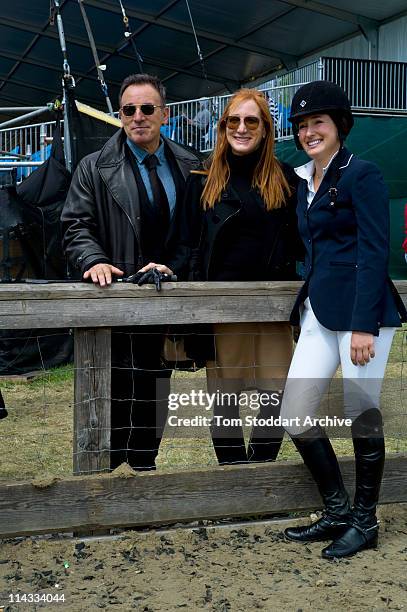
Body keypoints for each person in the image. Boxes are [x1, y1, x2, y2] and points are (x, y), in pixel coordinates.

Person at [280, 80, 407, 558]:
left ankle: (366, 521)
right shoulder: (303, 180)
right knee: (294, 411)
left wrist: (363, 326)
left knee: (361, 413)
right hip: (317, 312)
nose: (309, 131)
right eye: (302, 124)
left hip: (362, 315)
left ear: (339, 126)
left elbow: (376, 250)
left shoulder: (363, 174)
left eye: (319, 122)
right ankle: (336, 511)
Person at [61, 73, 200, 471]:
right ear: (119, 115)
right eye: (128, 110)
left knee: (156, 390)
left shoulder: (192, 164)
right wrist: (93, 260)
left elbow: (198, 231)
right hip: (114, 299)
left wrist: (178, 268)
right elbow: (75, 224)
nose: (138, 117)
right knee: (113, 389)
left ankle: (143, 469)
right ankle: (106, 474)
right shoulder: (94, 167)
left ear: (165, 114)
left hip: (167, 302)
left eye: (147, 108)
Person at [160, 88, 302, 465]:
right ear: (222, 128)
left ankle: (259, 469)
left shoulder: (286, 180)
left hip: (272, 307)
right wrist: (168, 268)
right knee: (225, 400)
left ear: (265, 129)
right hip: (221, 307)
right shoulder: (202, 179)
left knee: (276, 396)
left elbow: (301, 240)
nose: (241, 128)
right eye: (233, 121)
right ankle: (233, 475)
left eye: (251, 120)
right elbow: (185, 241)